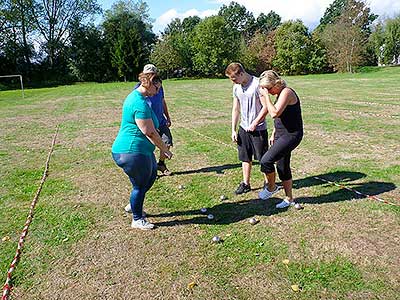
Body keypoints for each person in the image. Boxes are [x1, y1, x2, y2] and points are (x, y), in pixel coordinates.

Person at [112, 72, 173, 230]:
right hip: (131, 151)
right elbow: (149, 132)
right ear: (148, 84)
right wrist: (164, 149)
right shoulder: (139, 103)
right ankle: (137, 218)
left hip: (140, 151)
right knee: (140, 185)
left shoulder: (141, 99)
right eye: (157, 88)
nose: (158, 92)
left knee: (152, 174)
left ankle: (134, 204)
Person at [258, 70, 303, 209]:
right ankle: (289, 198)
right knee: (282, 166)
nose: (268, 91)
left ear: (276, 83)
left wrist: (266, 96)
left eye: (269, 88)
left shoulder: (287, 92)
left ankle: (272, 187)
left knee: (266, 161)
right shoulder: (279, 93)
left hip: (291, 135)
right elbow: (282, 118)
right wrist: (273, 133)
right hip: (281, 134)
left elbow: (274, 113)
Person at [225, 62, 269, 194]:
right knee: (245, 157)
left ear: (241, 73)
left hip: (259, 128)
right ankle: (246, 184)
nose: (233, 82)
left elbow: (266, 107)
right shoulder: (236, 88)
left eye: (234, 79)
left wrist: (255, 123)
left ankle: (268, 183)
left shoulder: (257, 84)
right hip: (243, 128)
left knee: (263, 159)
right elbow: (236, 108)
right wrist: (233, 129)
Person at [134, 64, 173, 176]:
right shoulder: (139, 89)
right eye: (148, 74)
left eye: (153, 74)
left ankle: (161, 164)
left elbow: (162, 101)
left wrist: (167, 117)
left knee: (167, 141)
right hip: (147, 123)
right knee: (148, 147)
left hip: (160, 121)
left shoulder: (159, 86)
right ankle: (149, 170)